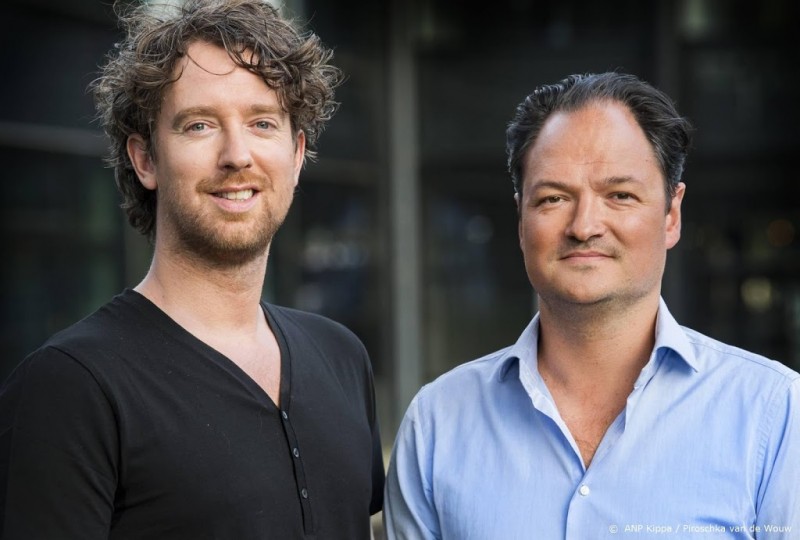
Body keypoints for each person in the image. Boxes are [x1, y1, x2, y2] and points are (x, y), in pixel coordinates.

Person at [0, 1, 384, 538]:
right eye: (200, 125)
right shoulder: (70, 386)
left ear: (296, 155)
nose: (237, 155)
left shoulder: (342, 357)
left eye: (262, 123)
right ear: (146, 160)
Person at [383, 72, 799, 539]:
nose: (583, 226)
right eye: (554, 198)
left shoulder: (774, 414)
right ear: (521, 220)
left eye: (619, 195)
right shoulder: (437, 424)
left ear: (671, 215)